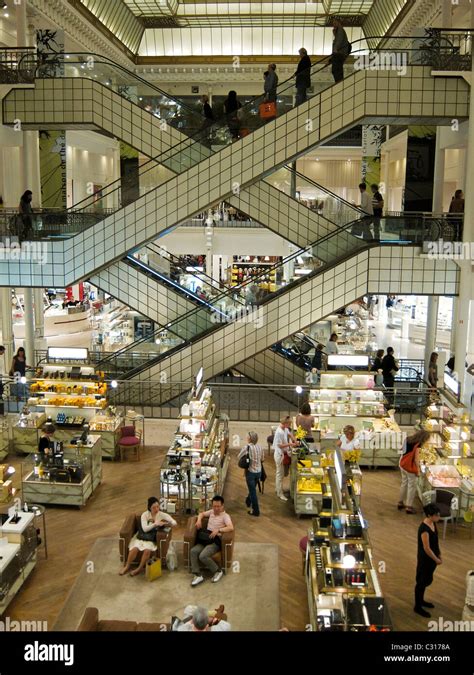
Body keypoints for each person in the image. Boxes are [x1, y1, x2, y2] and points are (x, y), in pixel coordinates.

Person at [119, 496, 177, 576]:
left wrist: (168, 523)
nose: (156, 509)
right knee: (134, 549)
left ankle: (139, 569)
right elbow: (145, 529)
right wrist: (155, 524)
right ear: (149, 507)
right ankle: (127, 566)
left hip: (151, 539)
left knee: (147, 551)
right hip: (141, 537)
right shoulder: (145, 515)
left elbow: (174, 522)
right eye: (154, 507)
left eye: (157, 506)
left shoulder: (161, 515)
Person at [190, 495, 234, 587]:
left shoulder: (225, 516)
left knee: (203, 556)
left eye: (218, 506)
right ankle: (198, 575)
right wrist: (198, 520)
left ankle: (218, 571)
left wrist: (219, 530)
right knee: (193, 551)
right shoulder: (211, 512)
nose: (216, 508)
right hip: (206, 538)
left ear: (222, 506)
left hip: (215, 541)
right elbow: (202, 514)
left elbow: (230, 527)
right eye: (214, 506)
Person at [414, 503, 442, 618]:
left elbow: (435, 542)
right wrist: (436, 559)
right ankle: (417, 606)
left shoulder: (433, 524)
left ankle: (421, 601)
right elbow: (426, 548)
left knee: (426, 580)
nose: (438, 517)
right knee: (421, 582)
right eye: (436, 515)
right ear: (430, 515)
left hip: (432, 558)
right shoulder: (424, 529)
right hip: (426, 559)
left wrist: (440, 554)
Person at [398, 429, 431, 514]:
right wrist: (419, 470)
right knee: (411, 487)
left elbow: (402, 450)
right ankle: (409, 507)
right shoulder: (418, 444)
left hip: (402, 463)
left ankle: (400, 502)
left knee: (404, 483)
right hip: (410, 467)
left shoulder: (408, 438)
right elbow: (416, 459)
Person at [238, 432, 264, 517]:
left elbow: (239, 456)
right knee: (252, 488)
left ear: (249, 439)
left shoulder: (247, 447)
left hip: (250, 472)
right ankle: (248, 501)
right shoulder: (260, 447)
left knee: (253, 492)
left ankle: (256, 511)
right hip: (259, 472)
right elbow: (262, 459)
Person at [272, 416, 296, 501]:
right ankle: (280, 493)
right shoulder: (279, 432)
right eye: (289, 424)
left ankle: (278, 489)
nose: (290, 425)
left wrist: (295, 440)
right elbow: (279, 445)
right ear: (285, 423)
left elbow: (289, 434)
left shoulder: (285, 429)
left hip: (283, 454)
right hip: (280, 455)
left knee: (281, 474)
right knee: (280, 475)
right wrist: (290, 444)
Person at [330, 18, 351, 84]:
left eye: (335, 23)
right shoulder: (339, 31)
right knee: (337, 70)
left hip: (339, 54)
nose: (334, 25)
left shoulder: (340, 30)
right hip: (339, 54)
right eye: (333, 24)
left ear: (339, 23)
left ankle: (339, 83)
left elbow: (339, 41)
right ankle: (339, 83)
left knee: (336, 70)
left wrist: (335, 50)